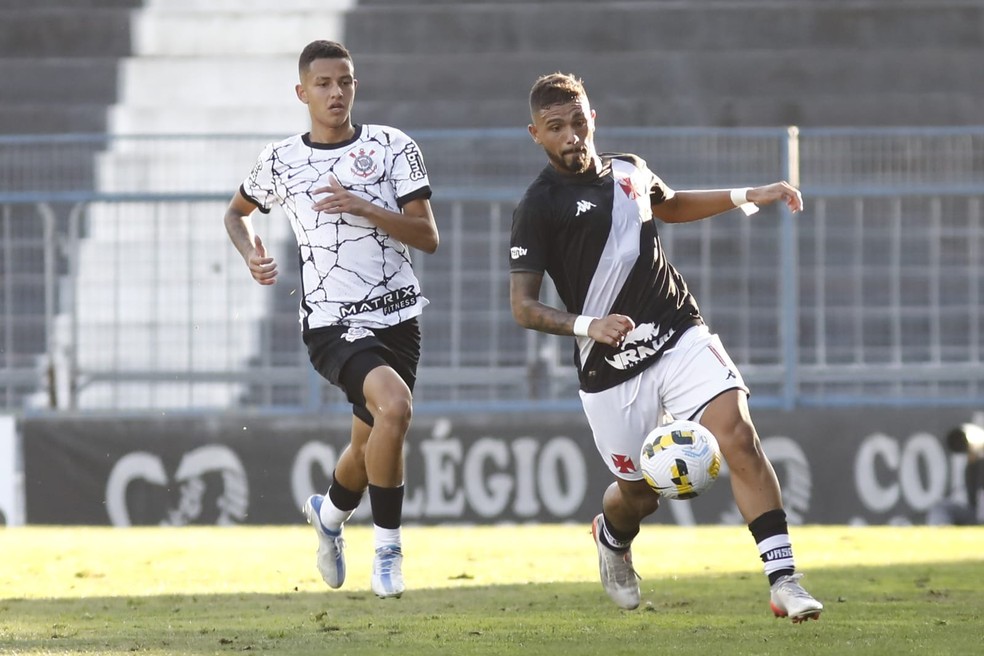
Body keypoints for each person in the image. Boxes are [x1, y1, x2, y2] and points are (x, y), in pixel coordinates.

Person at [509, 72, 823, 622]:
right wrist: (589, 327)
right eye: (556, 127)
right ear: (535, 133)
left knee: (739, 437)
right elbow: (523, 306)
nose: (571, 136)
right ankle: (611, 535)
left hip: (676, 329)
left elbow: (669, 205)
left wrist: (749, 195)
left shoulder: (630, 169)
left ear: (593, 118)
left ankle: (784, 581)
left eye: (578, 122)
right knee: (640, 496)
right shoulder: (537, 206)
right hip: (610, 365)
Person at [223, 40, 439, 599]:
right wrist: (251, 253)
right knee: (395, 407)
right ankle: (388, 551)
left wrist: (365, 206)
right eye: (323, 84)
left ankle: (328, 517)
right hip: (331, 324)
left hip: (399, 318)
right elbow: (237, 212)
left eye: (344, 81)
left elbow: (428, 237)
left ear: (355, 86)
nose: (335, 92)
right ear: (302, 93)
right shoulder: (281, 160)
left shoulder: (393, 147)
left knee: (369, 445)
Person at [927, 422, 984, 525]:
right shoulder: (973, 466)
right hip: (976, 514)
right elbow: (973, 500)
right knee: (941, 507)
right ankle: (940, 534)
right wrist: (974, 462)